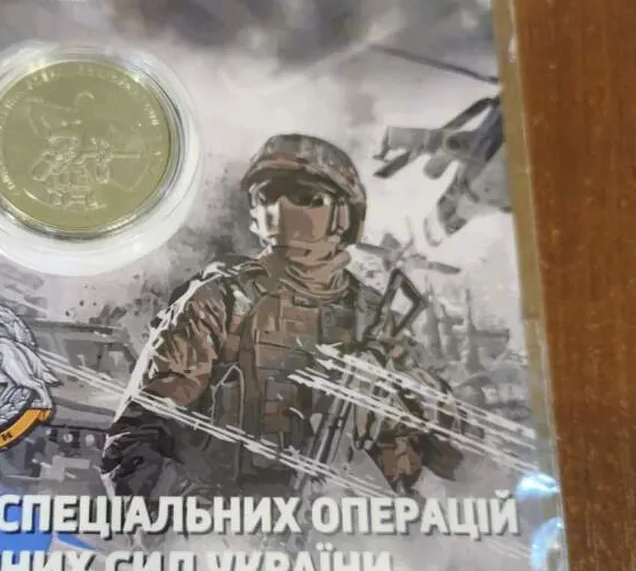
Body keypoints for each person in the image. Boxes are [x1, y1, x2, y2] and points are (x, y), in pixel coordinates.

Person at [101, 134, 462, 500]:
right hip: (234, 524)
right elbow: (132, 448)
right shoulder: (221, 302)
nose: (281, 209)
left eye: (306, 197)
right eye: (267, 195)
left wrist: (401, 392)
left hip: (353, 526)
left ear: (343, 215)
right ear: (254, 213)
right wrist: (206, 517)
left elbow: (453, 458)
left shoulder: (375, 320)